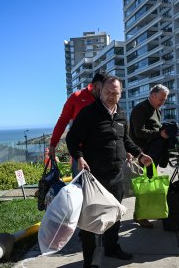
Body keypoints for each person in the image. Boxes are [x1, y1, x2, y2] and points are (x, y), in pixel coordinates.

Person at [66, 76, 153, 267]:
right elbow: (72, 139)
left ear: (121, 93)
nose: (112, 96)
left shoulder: (121, 114)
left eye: (116, 93)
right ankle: (89, 260)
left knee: (114, 214)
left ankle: (112, 248)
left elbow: (126, 141)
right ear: (100, 91)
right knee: (91, 221)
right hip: (94, 177)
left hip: (116, 175)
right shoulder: (89, 113)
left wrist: (139, 155)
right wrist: (79, 157)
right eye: (108, 92)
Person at [48, 71, 106, 176]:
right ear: (95, 85)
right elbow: (62, 121)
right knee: (80, 188)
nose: (105, 91)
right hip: (80, 153)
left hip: (102, 151)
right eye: (103, 88)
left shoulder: (105, 99)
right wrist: (53, 144)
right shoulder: (76, 97)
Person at [129, 84, 170, 229]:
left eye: (164, 100)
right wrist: (159, 134)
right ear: (152, 95)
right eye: (161, 99)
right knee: (145, 185)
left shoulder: (155, 109)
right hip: (143, 154)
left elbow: (155, 129)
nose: (162, 102)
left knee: (148, 184)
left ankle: (142, 213)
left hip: (152, 154)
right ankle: (141, 215)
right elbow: (139, 132)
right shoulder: (141, 109)